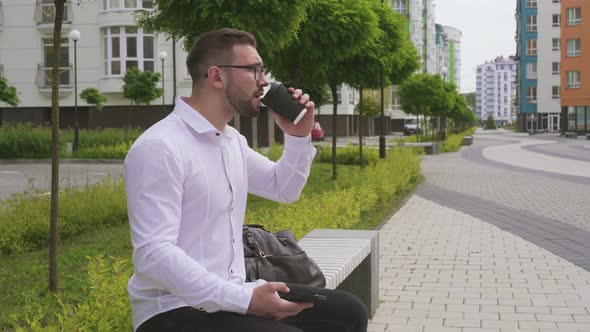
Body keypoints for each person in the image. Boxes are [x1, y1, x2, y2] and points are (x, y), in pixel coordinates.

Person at [124, 28, 368, 332]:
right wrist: (244, 299)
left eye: (262, 70)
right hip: (173, 309)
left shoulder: (230, 142)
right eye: (254, 70)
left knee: (348, 312)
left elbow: (284, 188)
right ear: (216, 77)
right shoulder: (160, 147)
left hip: (232, 293)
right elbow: (153, 254)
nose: (264, 81)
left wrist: (298, 135)